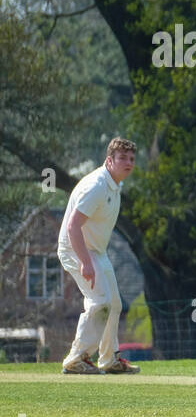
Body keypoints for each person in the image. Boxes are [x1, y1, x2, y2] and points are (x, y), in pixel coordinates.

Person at [58, 137, 140, 374]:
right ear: (109, 160)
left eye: (131, 158)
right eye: (122, 158)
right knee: (100, 303)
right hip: (76, 249)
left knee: (114, 304)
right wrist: (85, 262)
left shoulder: (114, 185)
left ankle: (108, 360)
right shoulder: (97, 186)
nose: (128, 163)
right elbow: (73, 226)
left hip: (96, 252)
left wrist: (91, 258)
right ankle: (76, 359)